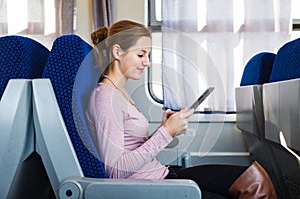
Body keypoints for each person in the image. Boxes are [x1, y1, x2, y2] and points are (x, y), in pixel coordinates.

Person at [85, 20, 268, 198]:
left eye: (148, 56)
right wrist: (166, 132)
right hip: (148, 187)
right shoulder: (106, 98)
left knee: (253, 179)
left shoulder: (120, 93)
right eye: (141, 55)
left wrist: (165, 128)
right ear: (117, 51)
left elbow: (131, 146)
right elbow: (116, 171)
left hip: (160, 174)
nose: (147, 62)